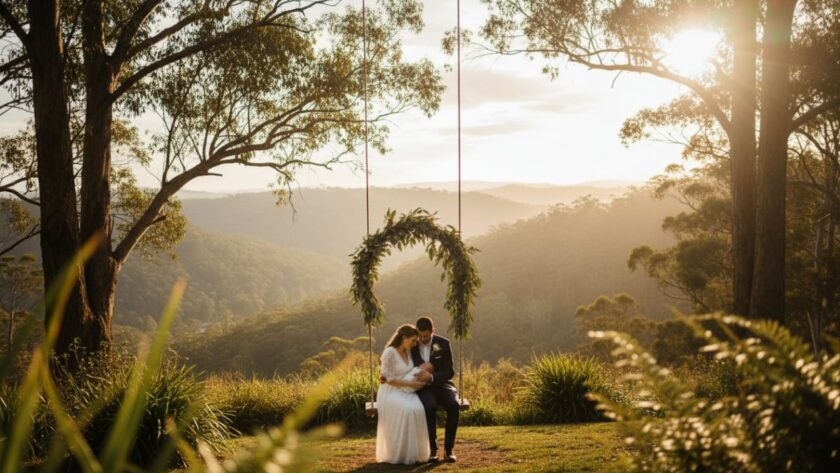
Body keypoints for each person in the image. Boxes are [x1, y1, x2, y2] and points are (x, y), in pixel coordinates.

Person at [375, 324, 430, 464]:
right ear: (404, 338)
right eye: (412, 340)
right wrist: (411, 384)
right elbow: (388, 379)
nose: (414, 344)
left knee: (418, 409)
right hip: (391, 392)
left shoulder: (408, 351)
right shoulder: (390, 352)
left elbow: (408, 371)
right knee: (408, 410)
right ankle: (398, 453)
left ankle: (413, 453)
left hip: (406, 391)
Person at [411, 316, 460, 463]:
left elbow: (450, 372)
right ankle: (433, 450)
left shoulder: (444, 343)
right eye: (420, 335)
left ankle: (449, 449)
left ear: (433, 330)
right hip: (423, 387)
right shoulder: (412, 344)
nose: (423, 339)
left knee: (454, 405)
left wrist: (432, 377)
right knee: (429, 406)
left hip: (442, 384)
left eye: (426, 336)